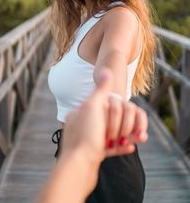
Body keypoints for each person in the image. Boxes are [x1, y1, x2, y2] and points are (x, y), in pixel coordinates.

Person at [45, 0, 157, 203]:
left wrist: (111, 97)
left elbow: (113, 61)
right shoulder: (91, 18)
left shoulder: (120, 18)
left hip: (107, 170)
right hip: (80, 158)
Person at [36, 68, 148, 203]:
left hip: (108, 168)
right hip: (78, 154)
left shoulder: (115, 44)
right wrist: (79, 155)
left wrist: (113, 98)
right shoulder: (71, 46)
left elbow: (114, 57)